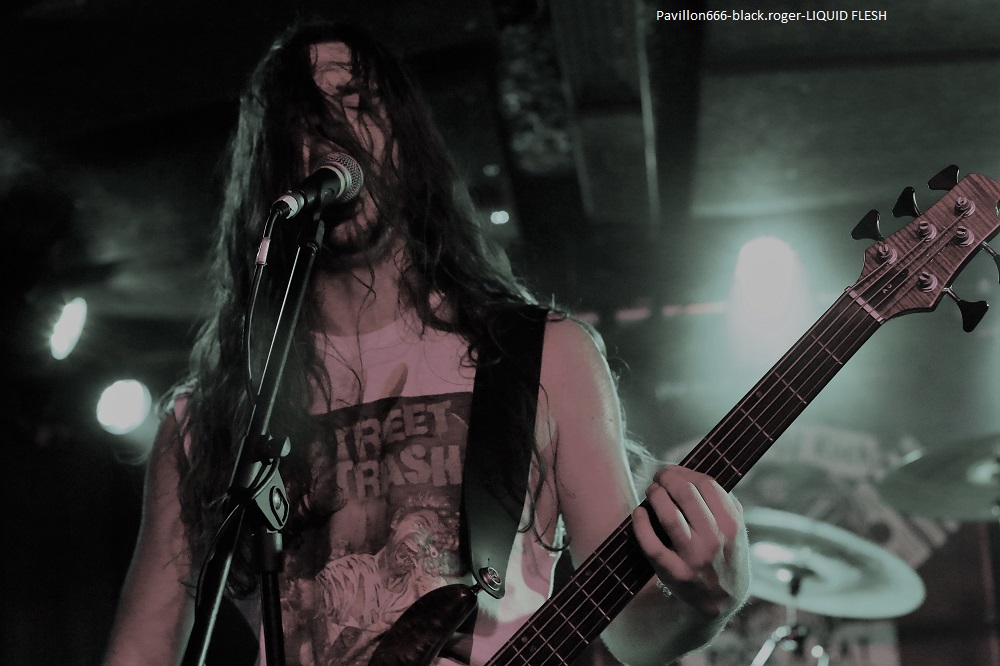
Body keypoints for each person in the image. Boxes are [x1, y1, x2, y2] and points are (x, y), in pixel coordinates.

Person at [104, 17, 750, 666]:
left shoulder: (543, 357)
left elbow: (631, 630)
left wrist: (703, 604)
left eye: (357, 103)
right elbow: (140, 650)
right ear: (269, 168)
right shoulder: (210, 419)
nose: (333, 133)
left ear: (406, 143)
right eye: (302, 120)